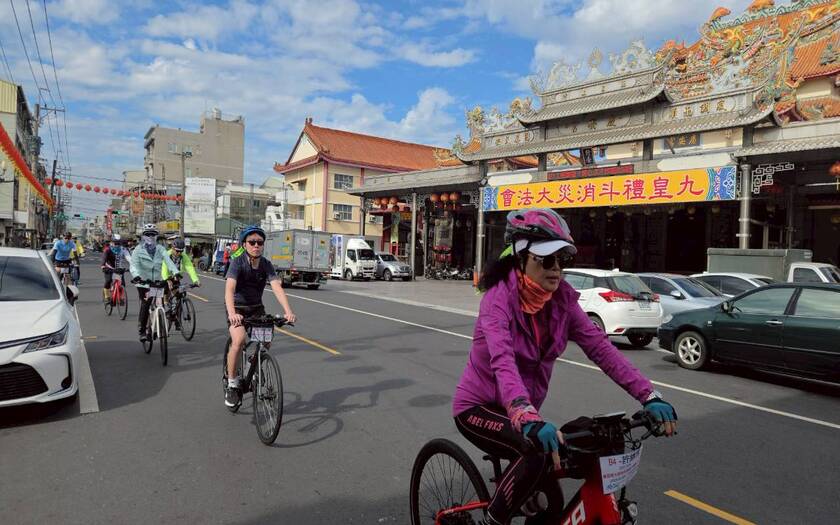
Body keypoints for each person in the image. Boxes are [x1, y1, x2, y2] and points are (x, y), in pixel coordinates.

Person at [452, 209, 677, 525]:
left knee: (553, 503)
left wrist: (649, 395)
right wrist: (525, 414)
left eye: (562, 259)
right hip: (480, 407)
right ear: (520, 258)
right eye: (547, 259)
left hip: (526, 413)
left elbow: (601, 349)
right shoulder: (497, 301)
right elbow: (502, 361)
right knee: (535, 452)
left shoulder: (563, 302)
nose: (556, 268)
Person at [224, 225, 296, 408]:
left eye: (260, 242)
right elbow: (229, 289)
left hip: (256, 308)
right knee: (239, 340)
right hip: (237, 309)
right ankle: (232, 384)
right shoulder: (237, 262)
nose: (256, 245)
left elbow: (277, 287)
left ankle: (252, 362)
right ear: (244, 244)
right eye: (252, 242)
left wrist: (288, 311)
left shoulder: (265, 264)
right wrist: (232, 314)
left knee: (267, 338)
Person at [130, 225, 179, 341]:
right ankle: (142, 330)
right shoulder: (138, 250)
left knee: (160, 303)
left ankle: (159, 325)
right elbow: (133, 265)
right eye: (147, 234)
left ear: (156, 236)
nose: (150, 237)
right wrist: (136, 276)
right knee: (146, 304)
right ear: (143, 236)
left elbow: (169, 262)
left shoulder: (160, 249)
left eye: (153, 234)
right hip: (143, 283)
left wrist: (175, 272)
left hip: (157, 282)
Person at [101, 234, 128, 304]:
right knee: (108, 280)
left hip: (118, 268)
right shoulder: (107, 249)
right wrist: (103, 266)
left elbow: (129, 258)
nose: (117, 245)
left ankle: (121, 297)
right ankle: (107, 296)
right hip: (109, 268)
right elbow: (104, 259)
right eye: (115, 243)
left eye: (118, 243)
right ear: (111, 242)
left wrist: (133, 266)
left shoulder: (122, 249)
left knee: (122, 283)